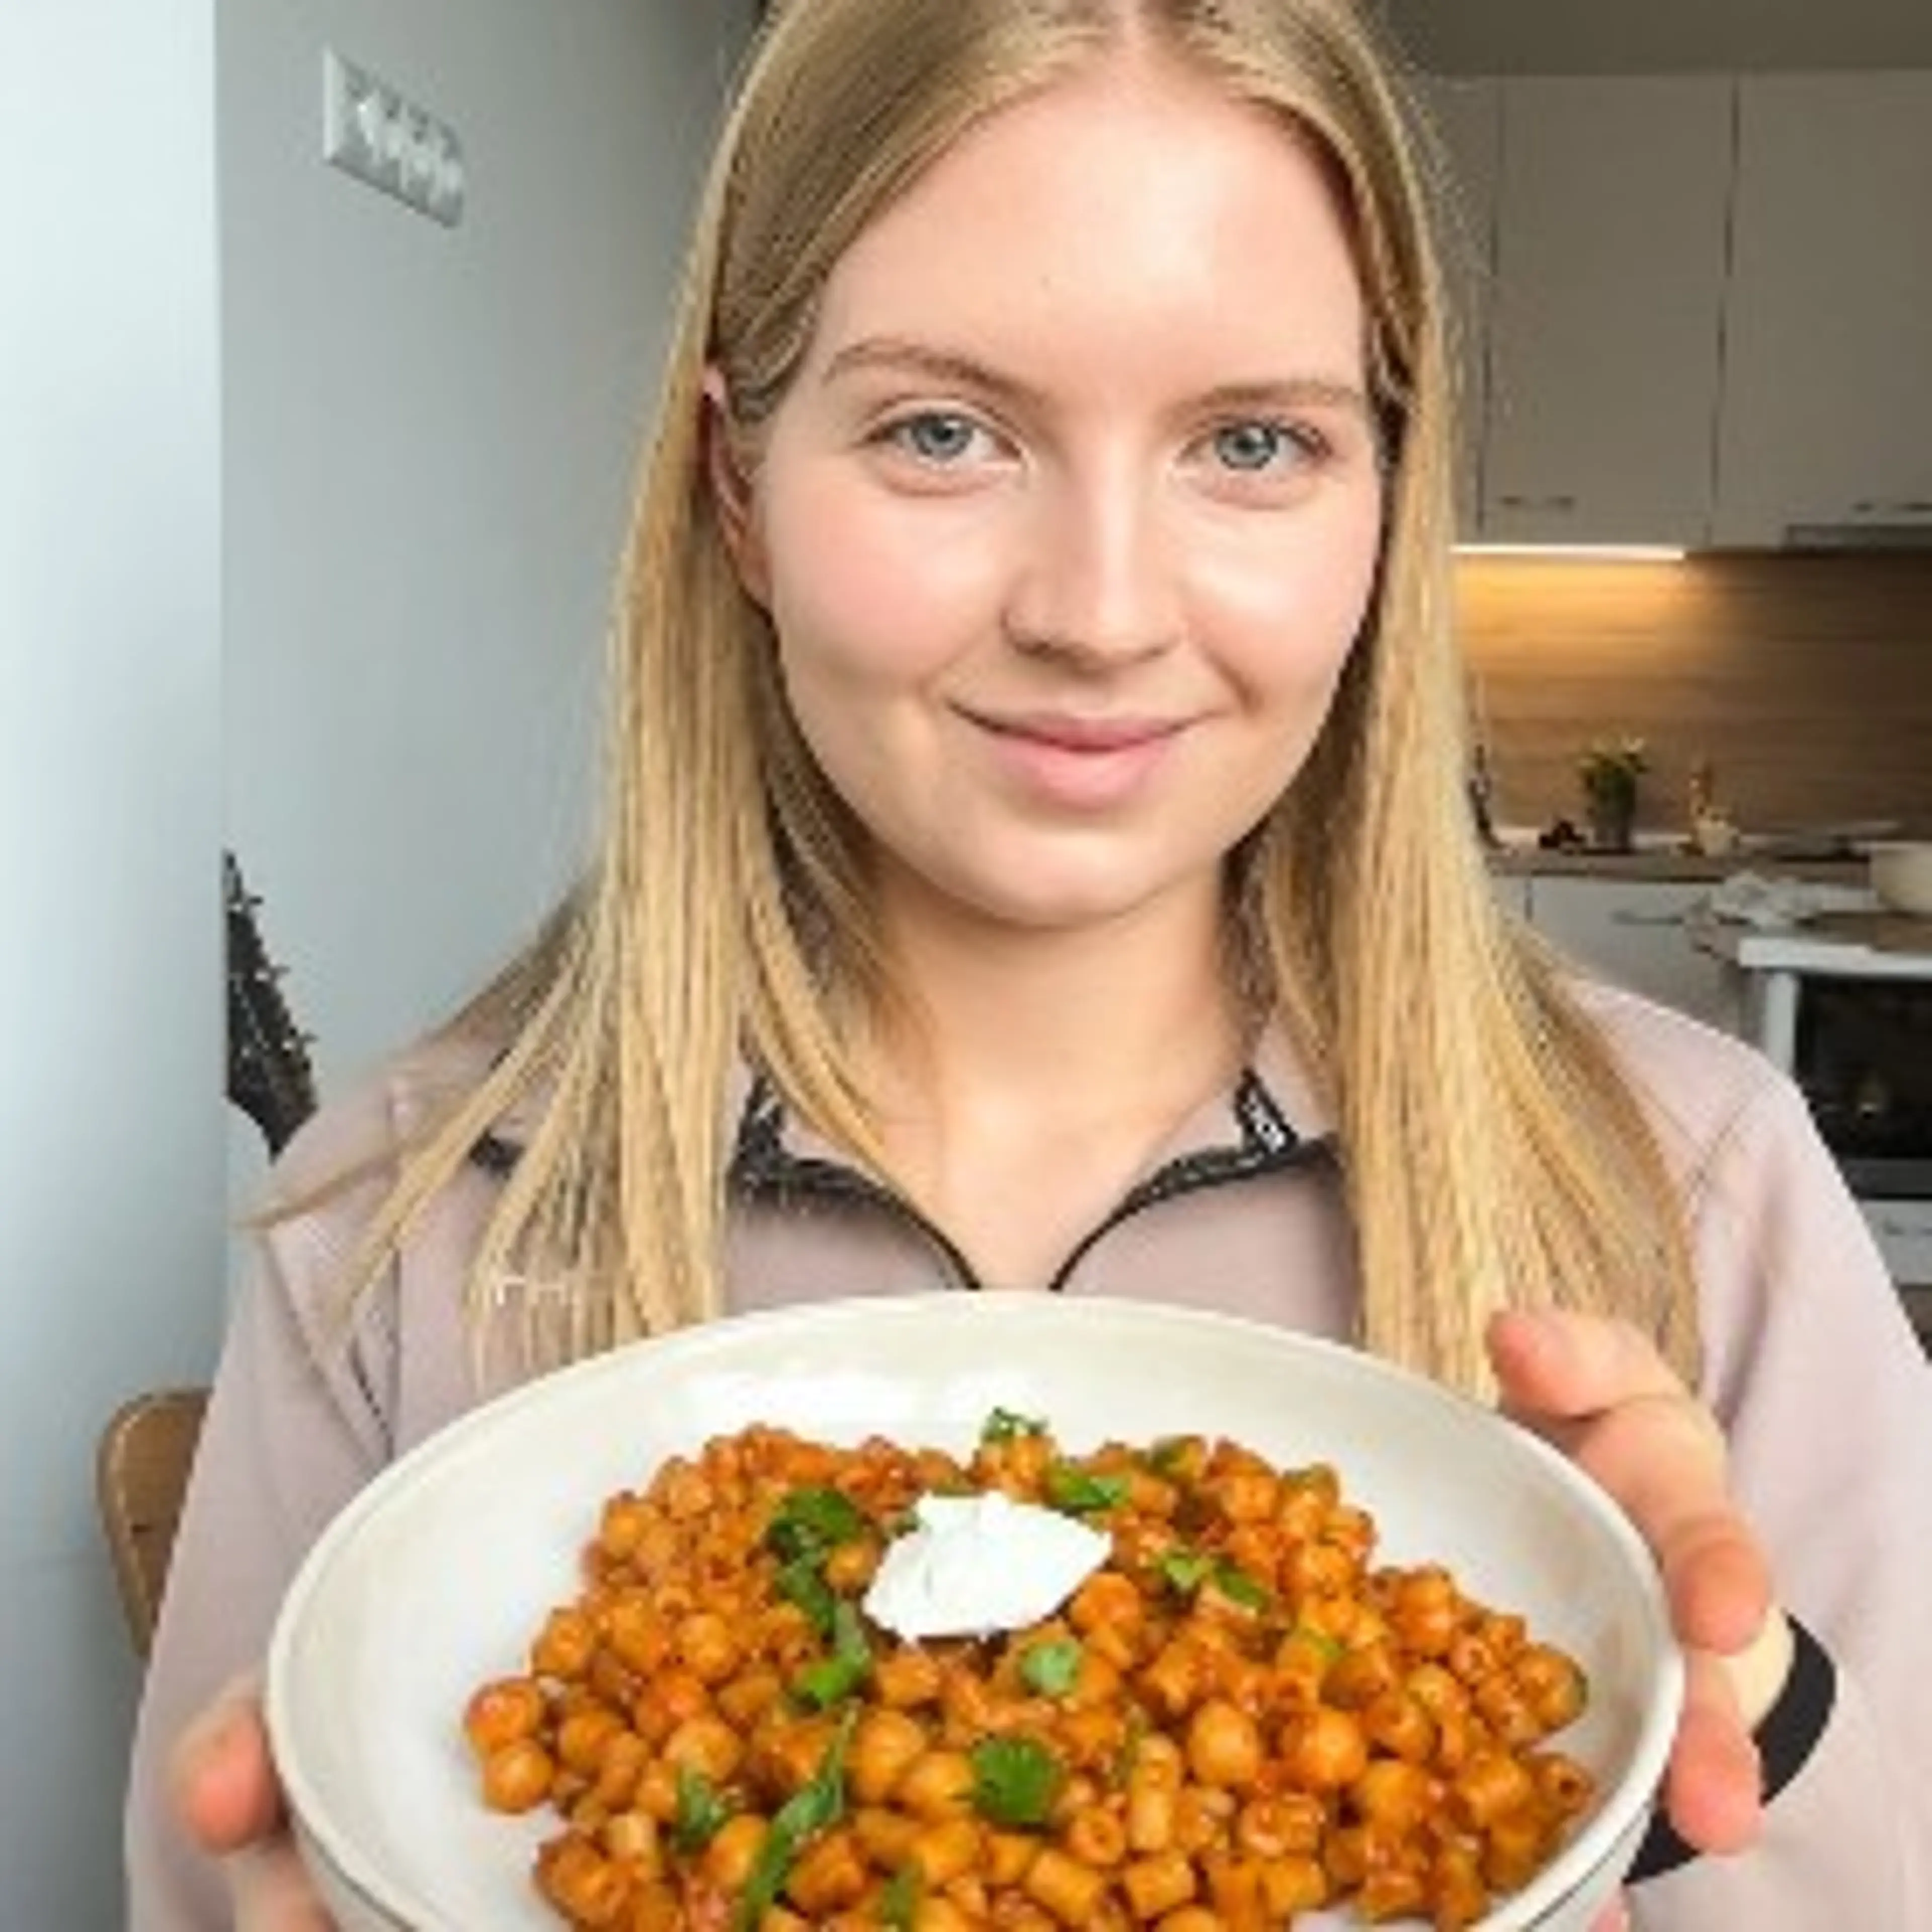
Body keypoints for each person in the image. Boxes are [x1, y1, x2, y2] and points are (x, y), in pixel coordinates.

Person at [132, 0, 1931, 1925]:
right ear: (738, 492)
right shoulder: (393, 1225)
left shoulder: (1703, 1182)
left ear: (1386, 502)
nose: (1099, 613)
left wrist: (1725, 1742)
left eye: (1253, 442)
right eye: (941, 431)